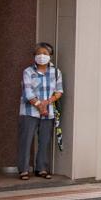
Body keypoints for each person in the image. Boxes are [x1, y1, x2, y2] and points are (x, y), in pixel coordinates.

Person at [18, 42, 63, 180]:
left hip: (48, 112)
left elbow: (59, 91)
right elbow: (28, 92)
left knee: (44, 141)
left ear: (50, 56)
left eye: (45, 53)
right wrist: (39, 105)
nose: (41, 56)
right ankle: (23, 170)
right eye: (38, 53)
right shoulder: (28, 71)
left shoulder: (56, 72)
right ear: (34, 56)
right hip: (29, 111)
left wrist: (47, 103)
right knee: (26, 140)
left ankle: (41, 168)